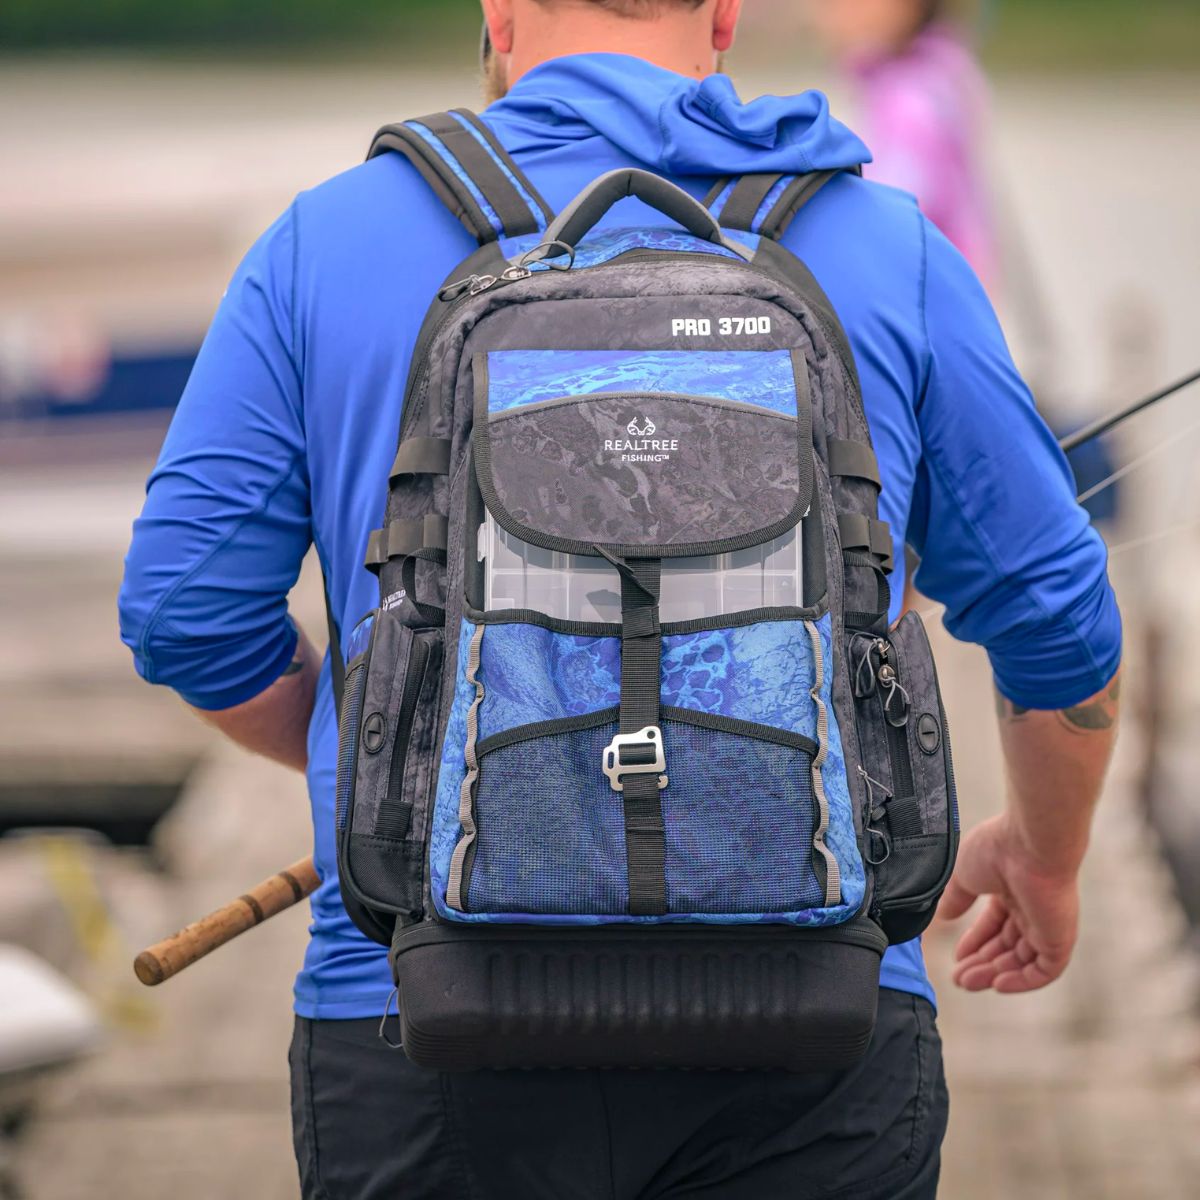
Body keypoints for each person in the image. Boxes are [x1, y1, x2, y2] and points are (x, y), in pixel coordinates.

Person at [117, 1, 1122, 1196]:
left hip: (414, 1007)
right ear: (725, 16)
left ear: (494, 13)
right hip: (819, 1009)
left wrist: (409, 759)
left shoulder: (325, 242)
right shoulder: (877, 243)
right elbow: (1061, 627)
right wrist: (1045, 861)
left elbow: (183, 609)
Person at [804, 0, 997, 288]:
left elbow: (884, 220)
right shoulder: (928, 77)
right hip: (948, 295)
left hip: (925, 302)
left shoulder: (912, 103)